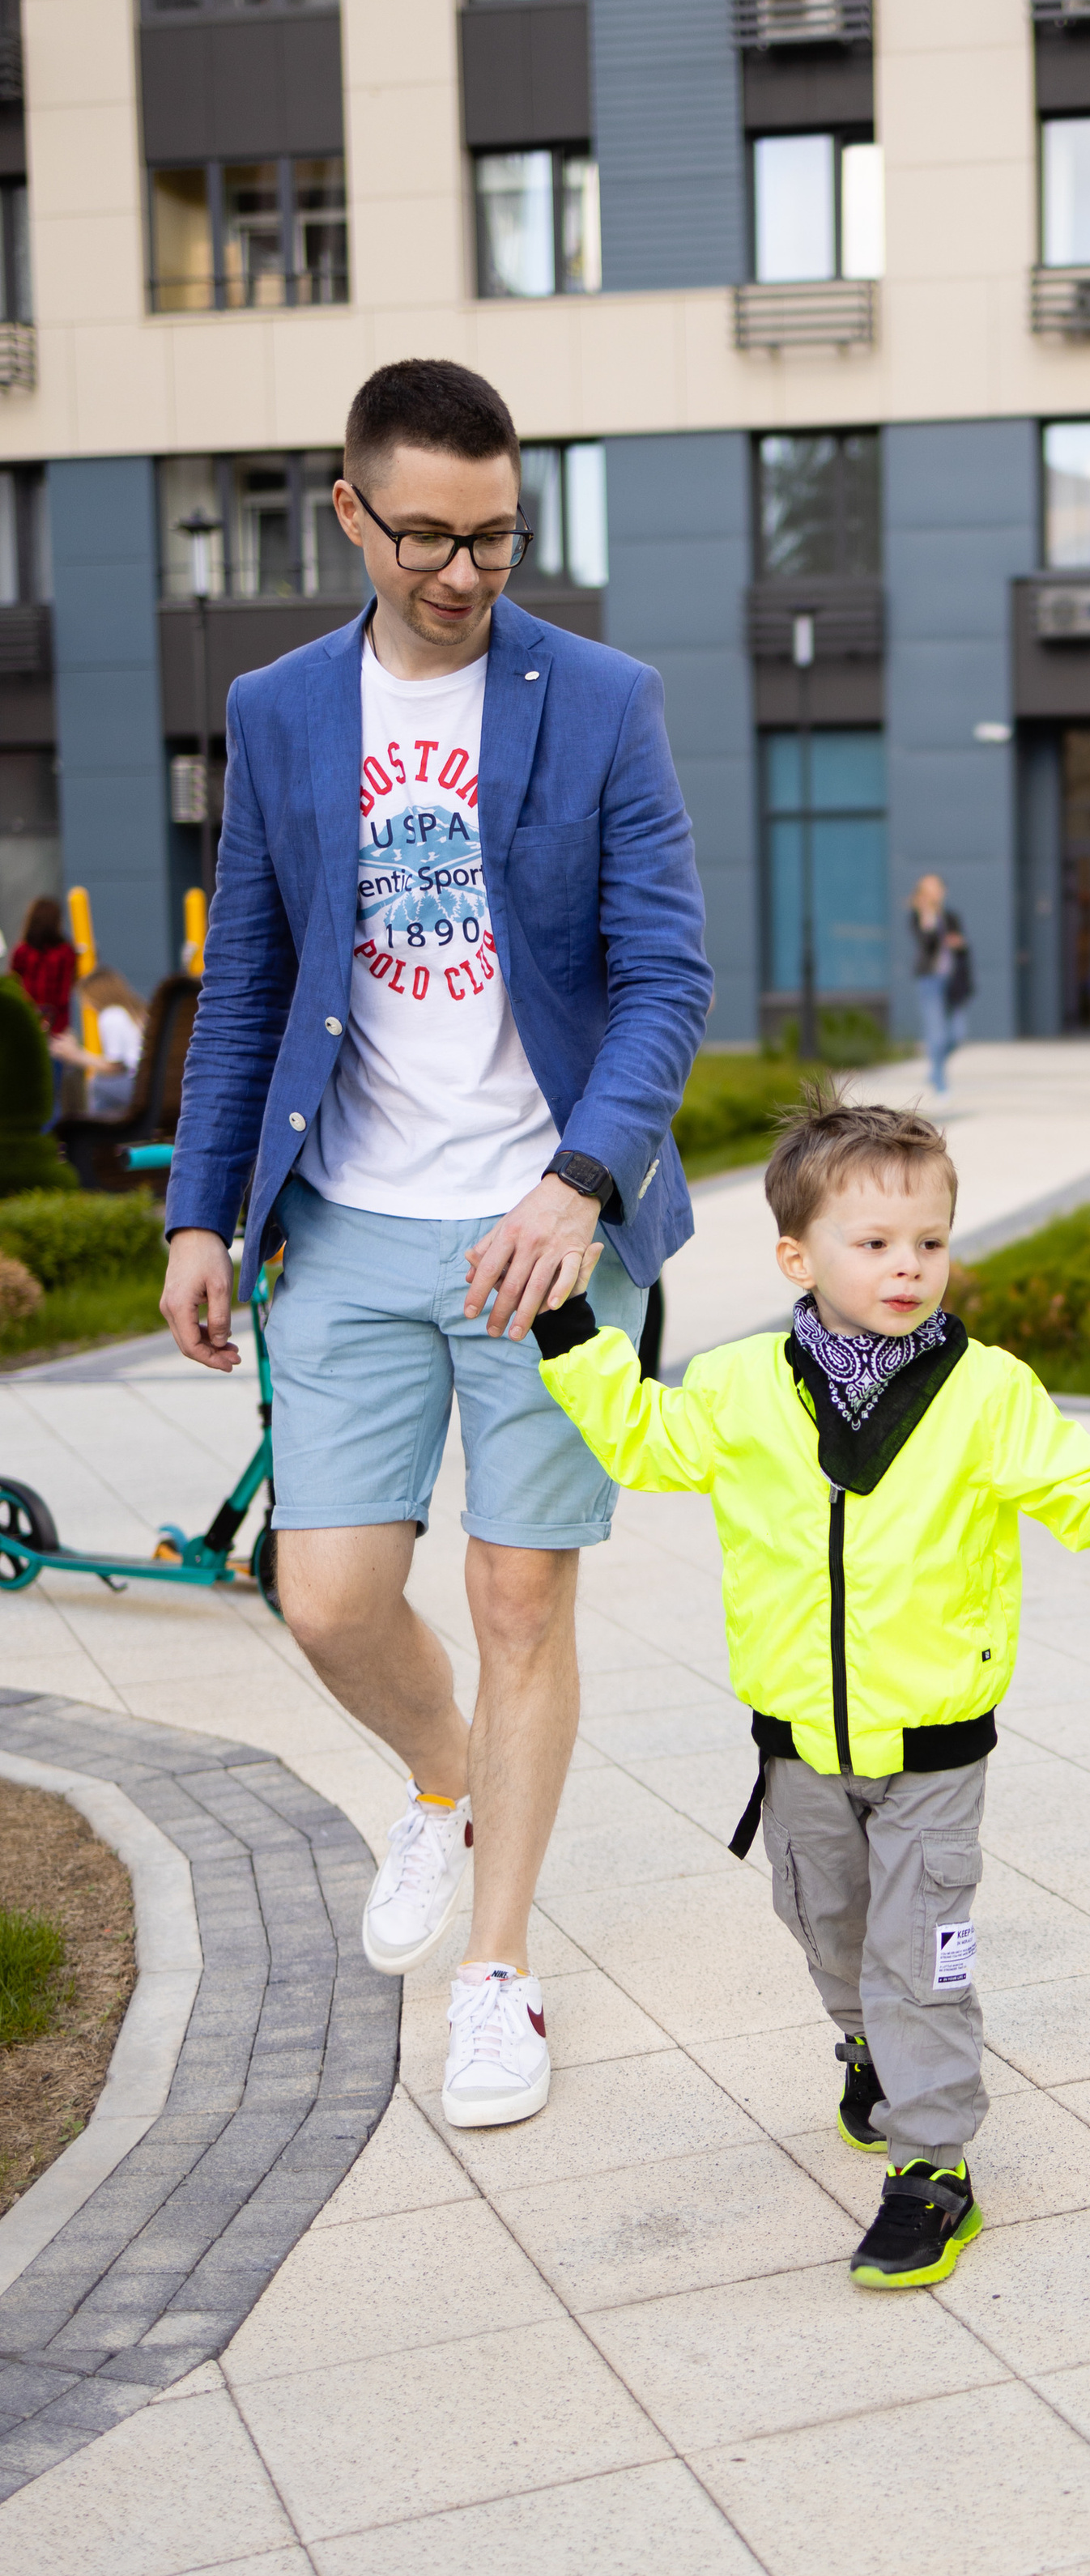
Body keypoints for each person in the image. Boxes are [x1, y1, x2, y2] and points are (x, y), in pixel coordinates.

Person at [162, 358, 712, 2129]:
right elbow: (249, 980)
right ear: (351, 514)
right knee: (324, 1597)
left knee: (517, 1598)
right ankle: (444, 1779)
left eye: (494, 538)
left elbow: (666, 977)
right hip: (348, 1223)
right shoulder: (278, 711)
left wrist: (581, 1182)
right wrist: (200, 1210)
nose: (463, 573)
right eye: (425, 537)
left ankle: (497, 1974)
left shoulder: (602, 699)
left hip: (544, 1236)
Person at [530, 1087, 1090, 2287]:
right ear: (798, 1256)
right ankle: (865, 2048)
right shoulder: (738, 1385)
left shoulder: (987, 1391)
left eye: (929, 1242)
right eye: (875, 1242)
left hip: (935, 1748)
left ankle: (933, 2164)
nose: (908, 1267)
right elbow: (641, 1440)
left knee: (919, 1959)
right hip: (797, 1746)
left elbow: (1081, 1492)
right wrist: (568, 1328)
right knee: (828, 1930)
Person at [908, 874, 971, 1095]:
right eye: (928, 890)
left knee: (957, 1034)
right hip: (930, 980)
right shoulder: (918, 917)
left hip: (953, 981)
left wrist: (959, 944)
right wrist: (928, 916)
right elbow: (926, 943)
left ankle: (935, 1070)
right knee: (936, 1034)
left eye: (936, 889)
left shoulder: (952, 917)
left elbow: (963, 947)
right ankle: (940, 1080)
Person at [75, 965, 147, 1118]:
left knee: (98, 1084)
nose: (87, 1005)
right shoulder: (137, 1011)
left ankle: (99, 1129)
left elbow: (115, 1066)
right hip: (153, 1083)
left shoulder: (111, 1015)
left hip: (138, 1085)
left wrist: (74, 1054)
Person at [9, 896, 75, 1041]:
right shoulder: (65, 952)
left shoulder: (22, 950)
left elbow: (14, 984)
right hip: (56, 1022)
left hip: (26, 1017)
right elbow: (65, 991)